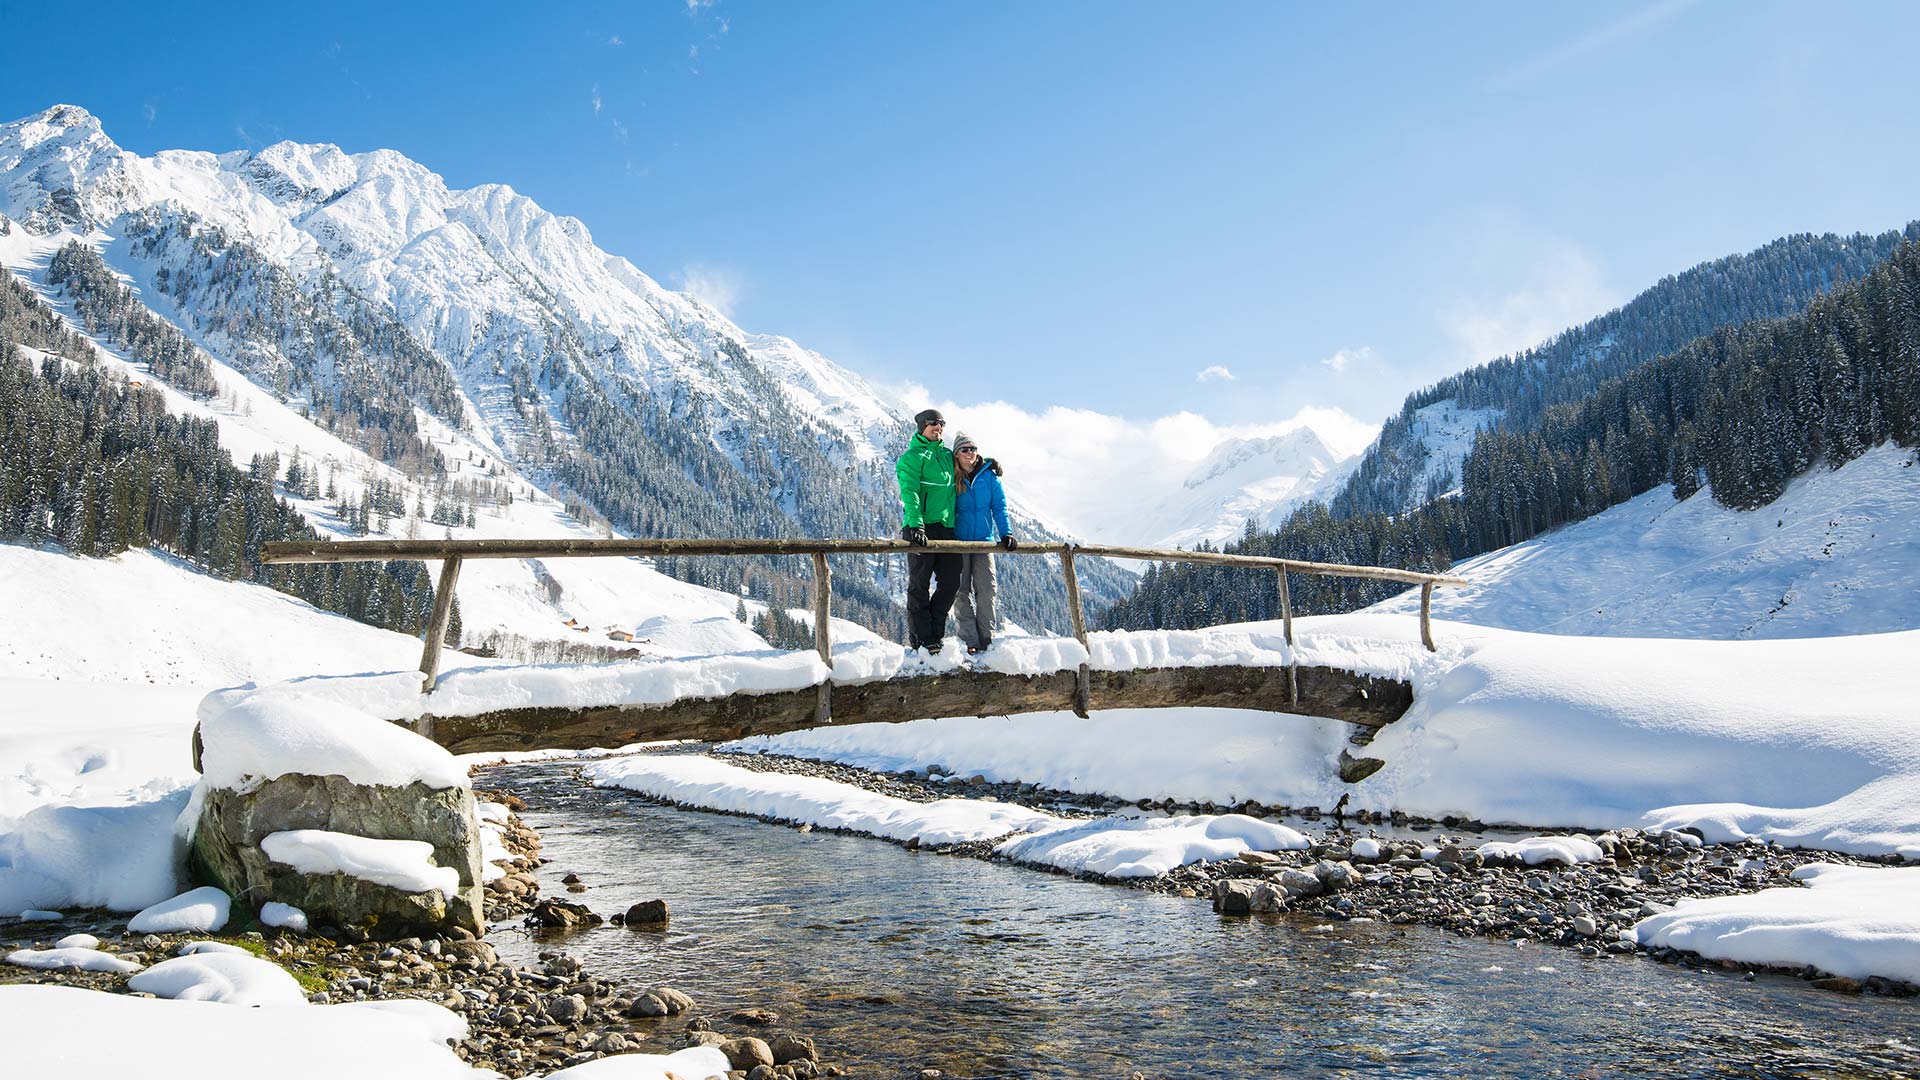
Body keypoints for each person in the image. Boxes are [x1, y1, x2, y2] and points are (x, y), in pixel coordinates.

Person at [896, 409, 960, 652]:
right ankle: (923, 638)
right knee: (919, 584)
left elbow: (968, 462)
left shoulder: (946, 455)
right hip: (920, 527)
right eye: (933, 423)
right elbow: (909, 492)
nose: (938, 427)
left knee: (952, 580)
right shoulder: (911, 457)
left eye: (942, 424)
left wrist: (986, 464)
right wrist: (916, 524)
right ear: (922, 426)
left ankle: (934, 632)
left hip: (946, 528)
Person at [950, 432, 1016, 654]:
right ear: (956, 454)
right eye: (965, 449)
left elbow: (1000, 507)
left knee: (987, 590)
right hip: (957, 543)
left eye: (973, 449)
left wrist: (1006, 533)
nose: (970, 453)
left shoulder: (990, 476)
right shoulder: (950, 475)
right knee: (960, 592)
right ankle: (970, 641)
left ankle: (987, 641)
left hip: (983, 543)